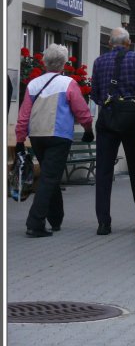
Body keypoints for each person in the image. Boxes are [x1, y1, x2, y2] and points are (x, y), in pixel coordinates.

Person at [15, 44, 94, 237]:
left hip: (37, 136)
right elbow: (81, 109)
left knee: (51, 175)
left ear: (45, 62)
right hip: (59, 136)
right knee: (49, 178)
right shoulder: (68, 83)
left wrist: (20, 138)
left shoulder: (33, 84)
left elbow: (24, 115)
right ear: (64, 63)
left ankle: (56, 218)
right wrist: (88, 128)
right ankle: (35, 223)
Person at [89, 27, 135, 235]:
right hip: (131, 118)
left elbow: (94, 93)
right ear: (128, 43)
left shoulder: (99, 61)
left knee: (104, 171)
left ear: (109, 43)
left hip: (107, 117)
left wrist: (108, 103)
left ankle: (103, 223)